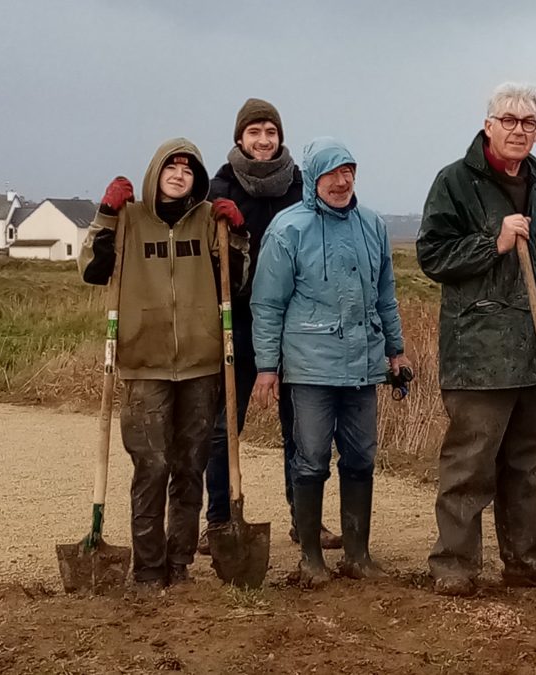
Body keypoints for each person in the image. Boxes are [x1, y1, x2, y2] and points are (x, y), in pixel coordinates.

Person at [417, 82, 536, 597]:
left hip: (534, 345)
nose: (518, 130)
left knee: (527, 458)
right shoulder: (456, 182)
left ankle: (526, 557)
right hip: (480, 348)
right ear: (488, 124)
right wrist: (493, 243)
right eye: (509, 120)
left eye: (528, 122)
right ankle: (455, 563)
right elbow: (432, 256)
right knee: (471, 460)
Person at [79, 138, 249, 587]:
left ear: (197, 179)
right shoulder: (129, 220)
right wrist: (104, 214)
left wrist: (236, 233)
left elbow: (236, 277)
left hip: (201, 363)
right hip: (144, 363)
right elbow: (92, 270)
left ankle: (180, 562)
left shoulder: (206, 221)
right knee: (152, 466)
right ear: (156, 172)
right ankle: (149, 567)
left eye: (188, 169)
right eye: (171, 167)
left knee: (190, 466)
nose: (179, 174)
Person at [250, 137, 408, 589]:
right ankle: (310, 558)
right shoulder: (288, 230)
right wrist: (267, 367)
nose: (342, 182)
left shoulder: (372, 225)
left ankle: (357, 555)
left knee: (360, 459)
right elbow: (267, 304)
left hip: (362, 366)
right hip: (310, 367)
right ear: (312, 179)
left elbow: (384, 296)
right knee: (312, 459)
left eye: (348, 172)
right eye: (332, 174)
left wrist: (395, 351)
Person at [199, 98, 342, 556]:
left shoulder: (300, 187)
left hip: (295, 320)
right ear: (239, 139)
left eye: (271, 133)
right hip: (236, 320)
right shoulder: (217, 188)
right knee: (225, 426)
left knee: (300, 427)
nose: (264, 141)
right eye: (255, 133)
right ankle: (219, 519)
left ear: (281, 138)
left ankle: (305, 520)